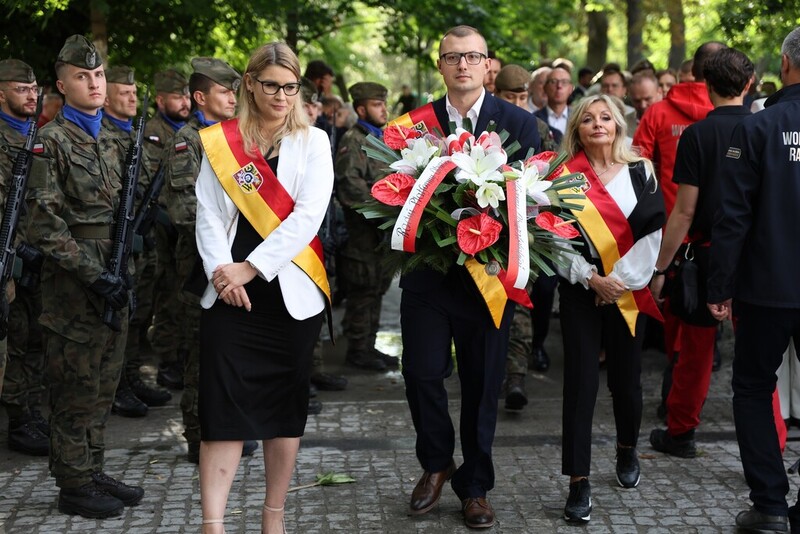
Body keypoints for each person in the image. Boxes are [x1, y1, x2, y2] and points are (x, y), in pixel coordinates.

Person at [391, 25, 540, 529]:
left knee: (482, 382)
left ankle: (474, 486)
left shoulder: (519, 123)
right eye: (452, 57)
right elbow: (389, 194)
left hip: (490, 278)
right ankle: (437, 462)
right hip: (429, 278)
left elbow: (533, 207)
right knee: (421, 372)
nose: (462, 65)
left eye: (472, 57)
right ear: (440, 65)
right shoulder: (412, 126)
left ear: (487, 65)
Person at [195, 41, 333, 534]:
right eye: (271, 85)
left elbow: (307, 218)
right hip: (229, 292)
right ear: (249, 83)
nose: (281, 95)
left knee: (283, 409)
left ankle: (272, 517)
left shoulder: (313, 142)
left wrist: (250, 268)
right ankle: (213, 523)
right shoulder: (219, 141)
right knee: (221, 406)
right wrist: (222, 271)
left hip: (288, 294)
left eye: (290, 87)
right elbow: (208, 215)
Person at [25, 34, 144, 519]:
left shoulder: (117, 141)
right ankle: (72, 483)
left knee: (103, 385)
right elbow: (43, 224)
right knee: (73, 389)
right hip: (75, 287)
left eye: (98, 75)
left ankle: (92, 469)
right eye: (82, 77)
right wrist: (93, 275)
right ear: (61, 84)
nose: (94, 83)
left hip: (116, 276)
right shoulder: (49, 142)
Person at [706, 26, 800, 533]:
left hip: (767, 287)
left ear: (785, 65)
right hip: (767, 285)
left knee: (751, 388)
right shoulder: (757, 126)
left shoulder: (760, 127)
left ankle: (769, 506)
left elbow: (733, 215)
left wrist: (718, 285)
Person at [557, 94, 665, 523]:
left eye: (605, 117)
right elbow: (553, 238)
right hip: (581, 291)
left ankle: (626, 448)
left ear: (619, 124)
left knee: (627, 381)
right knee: (580, 384)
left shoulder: (642, 172)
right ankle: (578, 481)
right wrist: (590, 278)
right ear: (577, 130)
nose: (597, 124)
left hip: (627, 292)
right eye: (588, 119)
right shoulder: (562, 176)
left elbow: (652, 237)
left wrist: (617, 283)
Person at [647, 48, 754, 458]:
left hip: (705, 256)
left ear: (706, 88)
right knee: (757, 360)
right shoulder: (762, 129)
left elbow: (684, 211)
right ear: (749, 85)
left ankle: (681, 432)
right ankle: (772, 440)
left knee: (694, 353)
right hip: (752, 258)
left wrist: (661, 266)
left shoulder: (696, 135)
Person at [161, 57, 258, 465]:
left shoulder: (234, 136)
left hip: (242, 264)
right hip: (201, 267)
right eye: (224, 91)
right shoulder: (190, 141)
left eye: (234, 90)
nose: (233, 98)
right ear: (200, 97)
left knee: (231, 351)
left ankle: (229, 424)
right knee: (201, 354)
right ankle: (199, 435)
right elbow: (186, 213)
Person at [633, 42, 724, 417]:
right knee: (708, 328)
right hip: (718, 236)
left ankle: (676, 399)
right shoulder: (728, 114)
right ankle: (689, 400)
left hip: (669, 233)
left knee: (676, 320)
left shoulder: (657, 112)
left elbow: (637, 168)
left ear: (690, 72)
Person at [101, 65, 173, 418]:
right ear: (106, 96)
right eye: (124, 92)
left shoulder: (136, 135)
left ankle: (129, 377)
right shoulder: (102, 136)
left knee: (138, 312)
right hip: (113, 243)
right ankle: (115, 386)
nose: (132, 97)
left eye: (134, 92)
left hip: (142, 243)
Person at [0, 59, 50, 457]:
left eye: (34, 88)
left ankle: (30, 410)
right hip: (10, 256)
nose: (31, 95)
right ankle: (17, 419)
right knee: (14, 339)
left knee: (34, 337)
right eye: (22, 89)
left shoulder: (37, 136)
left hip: (39, 255)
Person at [335, 81, 397, 371]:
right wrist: (386, 210)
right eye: (376, 104)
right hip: (362, 238)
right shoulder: (354, 140)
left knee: (376, 290)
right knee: (363, 293)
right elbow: (350, 188)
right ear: (361, 109)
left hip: (380, 237)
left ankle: (368, 346)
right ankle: (357, 350)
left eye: (384, 103)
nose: (383, 109)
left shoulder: (381, 139)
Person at [145, 69, 191, 391]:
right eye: (178, 96)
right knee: (166, 295)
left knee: (183, 294)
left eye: (188, 96)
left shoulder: (189, 131)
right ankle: (167, 361)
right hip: (160, 228)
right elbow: (149, 184)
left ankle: (181, 355)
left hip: (180, 227)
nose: (185, 102)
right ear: (161, 100)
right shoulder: (152, 133)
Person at [534, 64, 572, 139]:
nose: (559, 86)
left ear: (570, 89)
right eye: (553, 81)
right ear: (545, 88)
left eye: (564, 82)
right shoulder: (534, 119)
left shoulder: (578, 118)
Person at [626, 71, 662, 136]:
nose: (643, 105)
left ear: (659, 92)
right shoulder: (623, 124)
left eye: (648, 99)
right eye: (637, 101)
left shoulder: (672, 122)